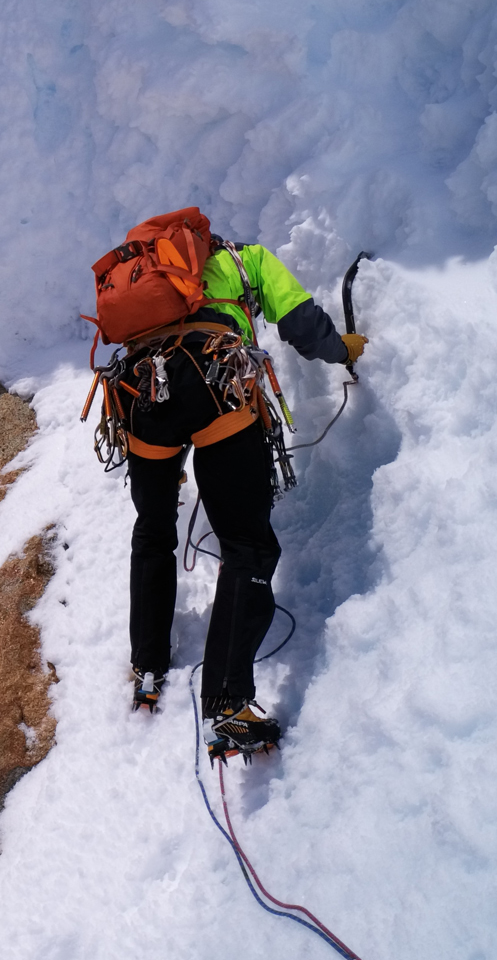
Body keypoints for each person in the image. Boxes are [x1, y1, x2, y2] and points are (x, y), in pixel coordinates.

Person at [115, 231, 365, 756]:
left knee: (153, 529)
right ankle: (228, 704)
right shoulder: (246, 260)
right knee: (245, 545)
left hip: (140, 393)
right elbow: (300, 322)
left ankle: (148, 666)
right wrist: (342, 349)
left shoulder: (145, 286)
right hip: (215, 385)